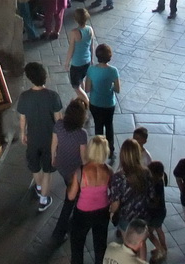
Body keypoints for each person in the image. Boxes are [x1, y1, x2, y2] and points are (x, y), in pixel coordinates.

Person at [17, 61, 64, 211]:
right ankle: (44, 200)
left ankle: (38, 187)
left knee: (35, 166)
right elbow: (59, 120)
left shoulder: (24, 96)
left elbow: (22, 118)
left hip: (33, 138)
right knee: (48, 170)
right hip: (50, 140)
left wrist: (23, 133)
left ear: (30, 78)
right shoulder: (53, 96)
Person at [67, 135, 114, 264]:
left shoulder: (81, 171)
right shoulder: (108, 170)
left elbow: (71, 196)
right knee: (100, 245)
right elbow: (113, 191)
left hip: (83, 213)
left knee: (77, 244)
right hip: (103, 211)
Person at [51, 99, 89, 241]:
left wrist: (53, 158)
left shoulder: (59, 125)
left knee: (71, 192)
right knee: (70, 200)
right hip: (74, 171)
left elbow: (54, 143)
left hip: (62, 165)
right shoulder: (82, 134)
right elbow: (84, 158)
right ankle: (60, 231)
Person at [109, 140, 155, 242]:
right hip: (143, 215)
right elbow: (151, 194)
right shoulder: (146, 173)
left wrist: (112, 213)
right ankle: (141, 258)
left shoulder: (118, 178)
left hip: (126, 217)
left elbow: (115, 202)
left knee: (129, 244)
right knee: (141, 243)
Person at [84, 44, 120, 157]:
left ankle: (99, 151)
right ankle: (111, 150)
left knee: (98, 126)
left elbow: (87, 89)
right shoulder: (113, 71)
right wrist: (110, 88)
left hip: (95, 103)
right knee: (109, 126)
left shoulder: (91, 69)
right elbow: (118, 89)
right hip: (109, 104)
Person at [65, 7, 95, 93]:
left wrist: (67, 63)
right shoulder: (90, 29)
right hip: (87, 61)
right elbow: (91, 46)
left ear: (75, 19)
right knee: (82, 79)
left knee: (76, 86)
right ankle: (84, 96)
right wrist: (92, 59)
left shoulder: (74, 32)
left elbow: (71, 50)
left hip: (77, 63)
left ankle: (84, 100)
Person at [145, 161, 168, 262]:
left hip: (154, 213)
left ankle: (160, 248)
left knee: (148, 233)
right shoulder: (160, 181)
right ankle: (164, 247)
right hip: (161, 212)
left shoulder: (156, 184)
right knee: (159, 229)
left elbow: (155, 200)